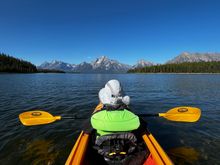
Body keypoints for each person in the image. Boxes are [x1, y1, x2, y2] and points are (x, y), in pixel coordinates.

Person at [90, 80, 147, 165]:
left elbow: (85, 128)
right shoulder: (133, 118)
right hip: (127, 152)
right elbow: (143, 126)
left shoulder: (95, 118)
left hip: (104, 154)